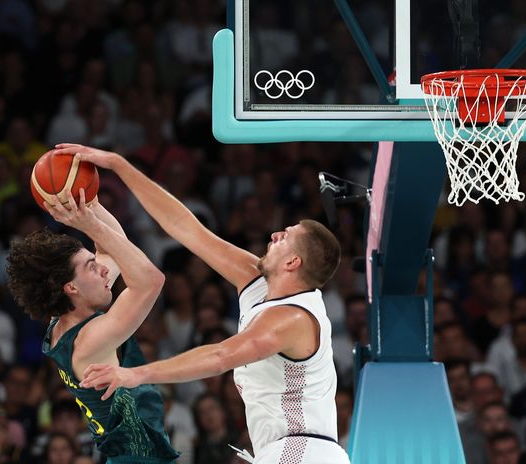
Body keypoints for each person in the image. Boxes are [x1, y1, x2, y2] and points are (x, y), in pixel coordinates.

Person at [55, 143, 350, 464]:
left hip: (303, 450)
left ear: (293, 262)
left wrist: (134, 374)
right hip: (288, 450)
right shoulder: (257, 281)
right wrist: (119, 165)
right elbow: (185, 227)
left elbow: (221, 355)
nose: (277, 233)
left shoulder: (291, 319)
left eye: (287, 236)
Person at [5, 189, 179, 463]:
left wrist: (89, 202)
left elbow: (111, 246)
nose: (104, 269)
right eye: (91, 267)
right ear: (71, 287)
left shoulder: (61, 319)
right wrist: (88, 223)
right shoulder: (89, 340)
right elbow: (151, 280)